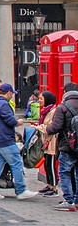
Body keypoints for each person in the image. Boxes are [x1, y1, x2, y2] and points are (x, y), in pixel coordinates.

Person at [0, 83, 38, 200]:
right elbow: (10, 121)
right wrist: (19, 122)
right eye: (12, 93)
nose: (12, 95)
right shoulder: (3, 104)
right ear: (9, 93)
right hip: (6, 139)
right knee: (16, 163)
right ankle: (21, 190)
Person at [45, 82, 78, 211]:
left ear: (65, 92)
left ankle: (68, 200)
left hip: (67, 145)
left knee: (64, 172)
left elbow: (56, 127)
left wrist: (46, 129)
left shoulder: (62, 107)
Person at [35, 90, 60, 197]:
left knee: (51, 165)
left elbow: (51, 127)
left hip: (52, 142)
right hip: (45, 141)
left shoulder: (54, 111)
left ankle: (54, 188)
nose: (39, 101)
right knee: (46, 164)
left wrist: (38, 127)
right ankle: (49, 185)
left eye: (41, 99)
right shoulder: (45, 111)